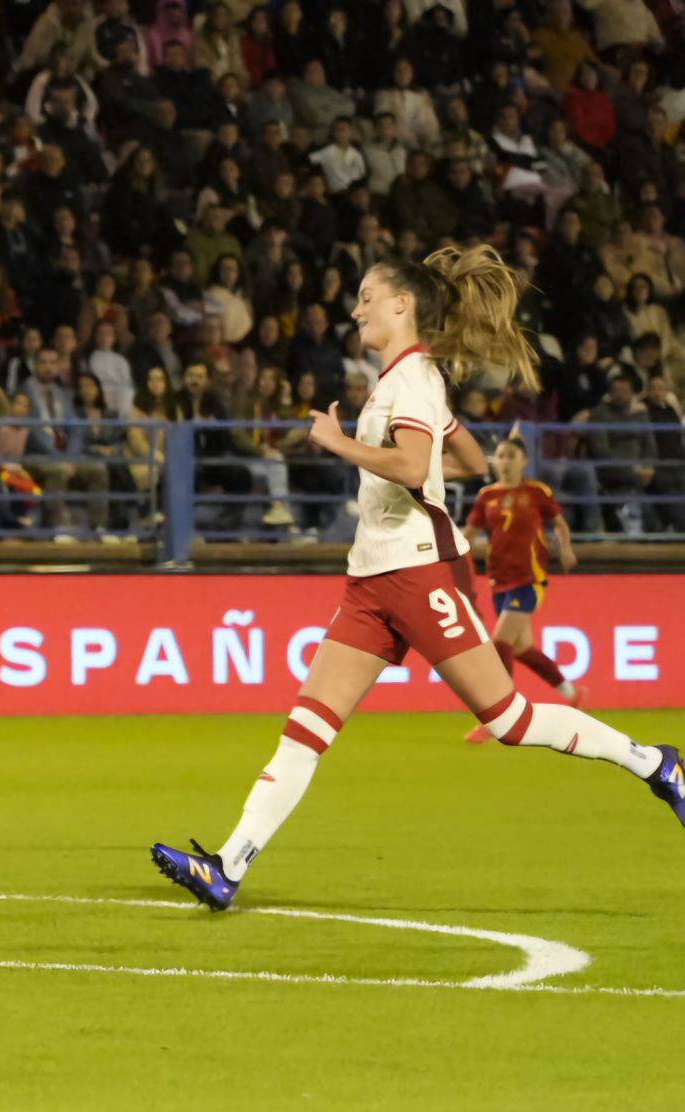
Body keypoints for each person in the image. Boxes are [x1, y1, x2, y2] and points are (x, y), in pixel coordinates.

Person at [152, 247, 685, 909]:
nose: (356, 308)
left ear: (403, 305)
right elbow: (466, 458)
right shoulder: (408, 381)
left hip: (416, 570)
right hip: (371, 580)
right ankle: (227, 866)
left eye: (367, 296)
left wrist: (340, 442)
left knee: (510, 718)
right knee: (306, 725)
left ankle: (656, 763)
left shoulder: (411, 381)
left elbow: (411, 465)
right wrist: (430, 454)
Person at [461, 433, 588, 743]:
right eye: (500, 456)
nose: (504, 462)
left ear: (524, 461)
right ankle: (571, 693)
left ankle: (500, 716)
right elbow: (470, 534)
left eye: (510, 456)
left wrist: (566, 547)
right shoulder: (486, 496)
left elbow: (558, 523)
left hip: (529, 580)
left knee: (500, 643)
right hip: (498, 580)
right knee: (521, 648)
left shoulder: (536, 492)